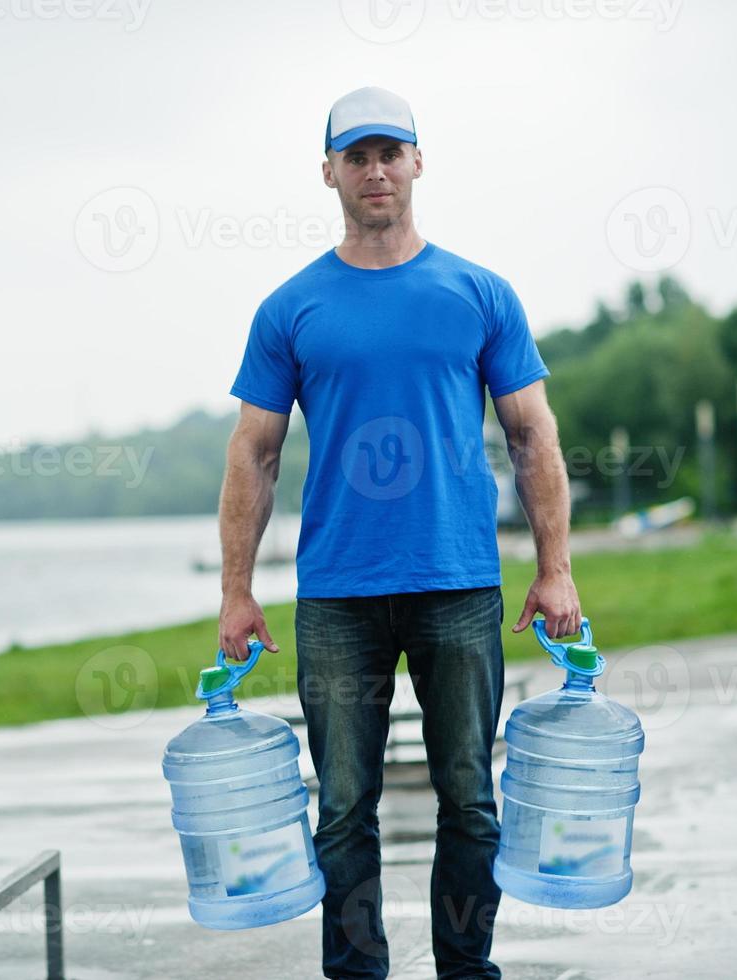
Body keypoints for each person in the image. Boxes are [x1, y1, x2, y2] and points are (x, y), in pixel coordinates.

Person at [216, 86, 582, 980]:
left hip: (458, 583)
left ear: (418, 161)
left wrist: (556, 569)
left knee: (471, 798)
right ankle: (356, 972)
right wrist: (235, 591)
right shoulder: (289, 308)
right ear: (330, 171)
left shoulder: (479, 293)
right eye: (356, 155)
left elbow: (532, 433)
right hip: (338, 591)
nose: (374, 170)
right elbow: (254, 452)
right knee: (343, 807)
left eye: (390, 152)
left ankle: (465, 970)